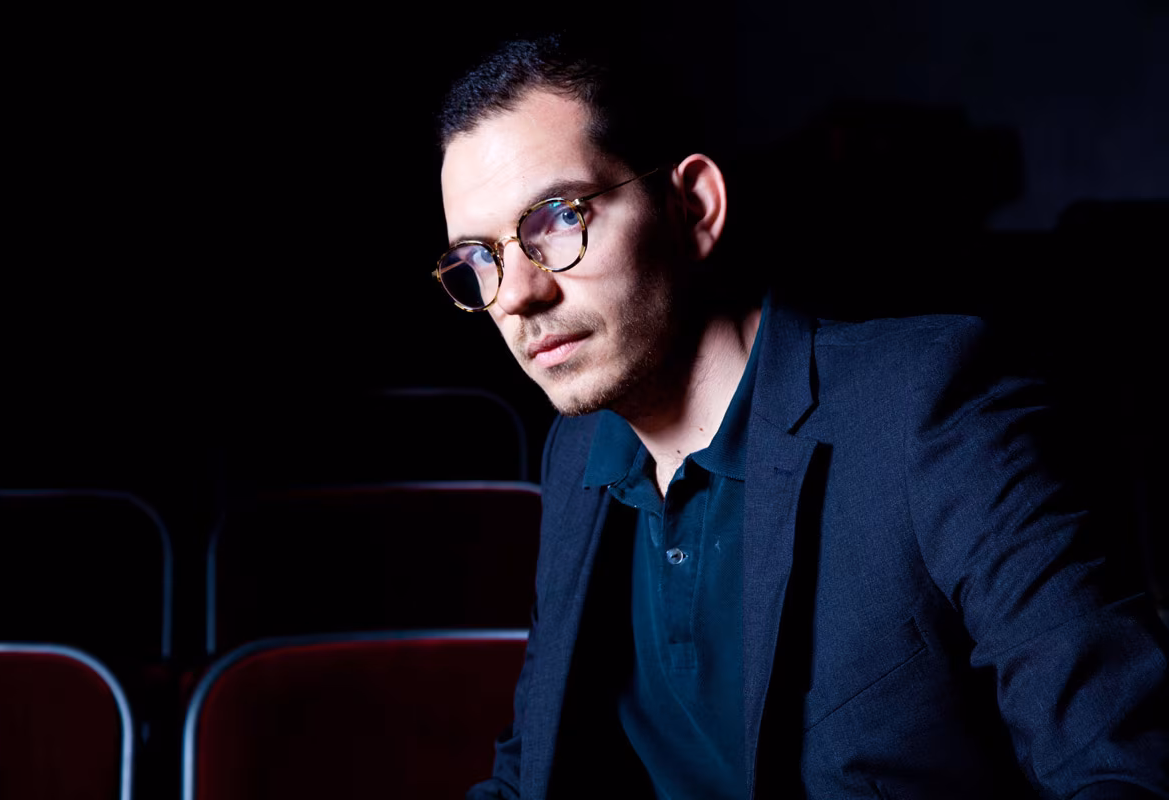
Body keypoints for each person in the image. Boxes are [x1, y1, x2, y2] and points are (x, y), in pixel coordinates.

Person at [432, 33, 1169, 799]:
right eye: (479, 257)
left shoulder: (927, 407)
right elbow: (530, 769)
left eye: (557, 217)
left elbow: (1125, 769)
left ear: (693, 207)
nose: (516, 295)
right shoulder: (577, 449)